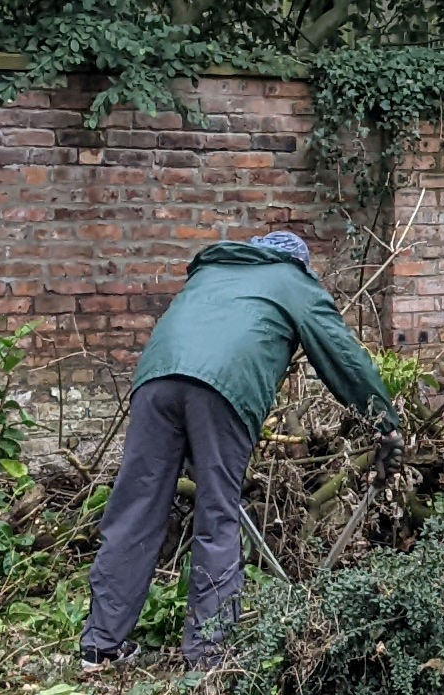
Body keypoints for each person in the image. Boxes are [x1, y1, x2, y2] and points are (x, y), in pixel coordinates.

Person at [80, 230, 397, 671]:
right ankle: (209, 657)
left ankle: (101, 645)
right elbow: (344, 358)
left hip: (155, 383)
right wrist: (386, 424)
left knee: (135, 507)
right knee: (218, 515)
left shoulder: (211, 273)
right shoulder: (294, 282)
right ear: (300, 264)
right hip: (223, 391)